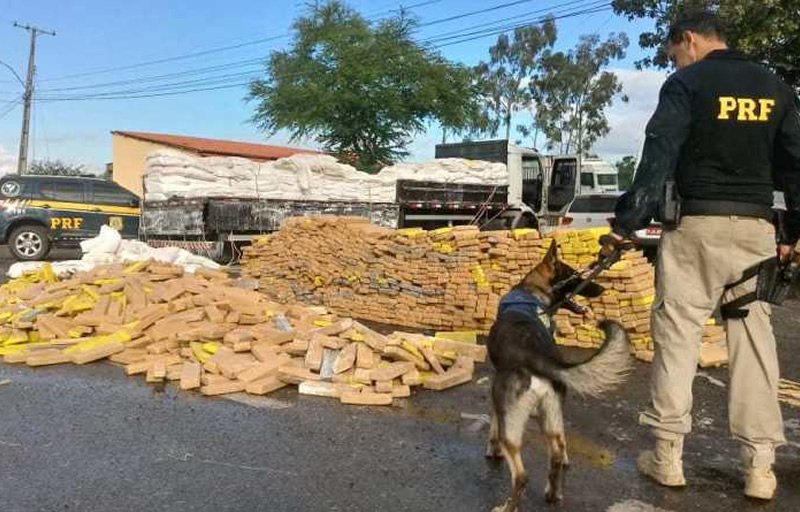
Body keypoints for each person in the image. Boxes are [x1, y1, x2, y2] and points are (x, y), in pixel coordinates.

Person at [603, 10, 800, 501]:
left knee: (678, 336)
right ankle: (760, 467)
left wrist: (627, 222)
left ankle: (667, 457)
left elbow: (659, 154)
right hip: (756, 231)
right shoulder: (775, 87)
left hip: (695, 229)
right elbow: (797, 164)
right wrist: (793, 231)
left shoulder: (686, 85)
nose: (675, 60)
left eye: (674, 52)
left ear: (687, 39)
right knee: (754, 342)